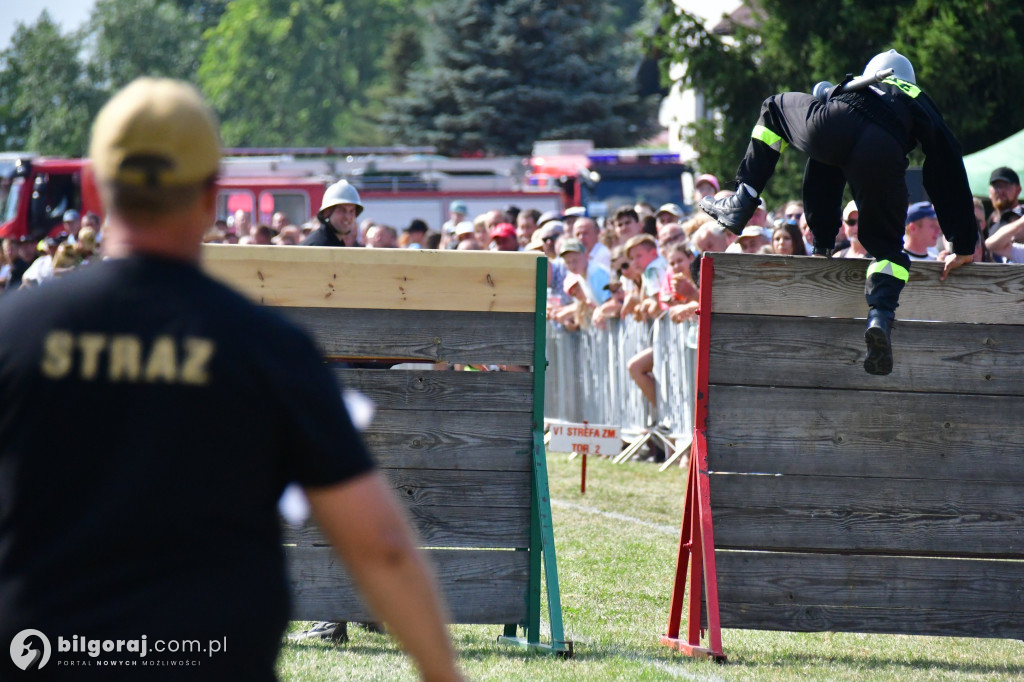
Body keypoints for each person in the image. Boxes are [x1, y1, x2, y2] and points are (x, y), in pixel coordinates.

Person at [0, 77, 462, 682]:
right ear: (210, 195)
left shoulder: (14, 335)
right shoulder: (268, 348)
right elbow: (380, 544)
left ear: (103, 190)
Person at [699, 49, 977, 375]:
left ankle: (742, 199)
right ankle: (880, 318)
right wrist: (962, 243)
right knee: (888, 251)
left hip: (834, 124)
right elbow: (947, 163)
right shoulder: (915, 96)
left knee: (773, 109)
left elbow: (822, 173)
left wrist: (823, 242)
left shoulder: (854, 86)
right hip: (885, 150)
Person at [302, 179, 363, 247]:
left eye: (352, 211)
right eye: (342, 210)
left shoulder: (335, 243)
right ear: (327, 212)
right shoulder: (318, 246)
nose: (347, 217)